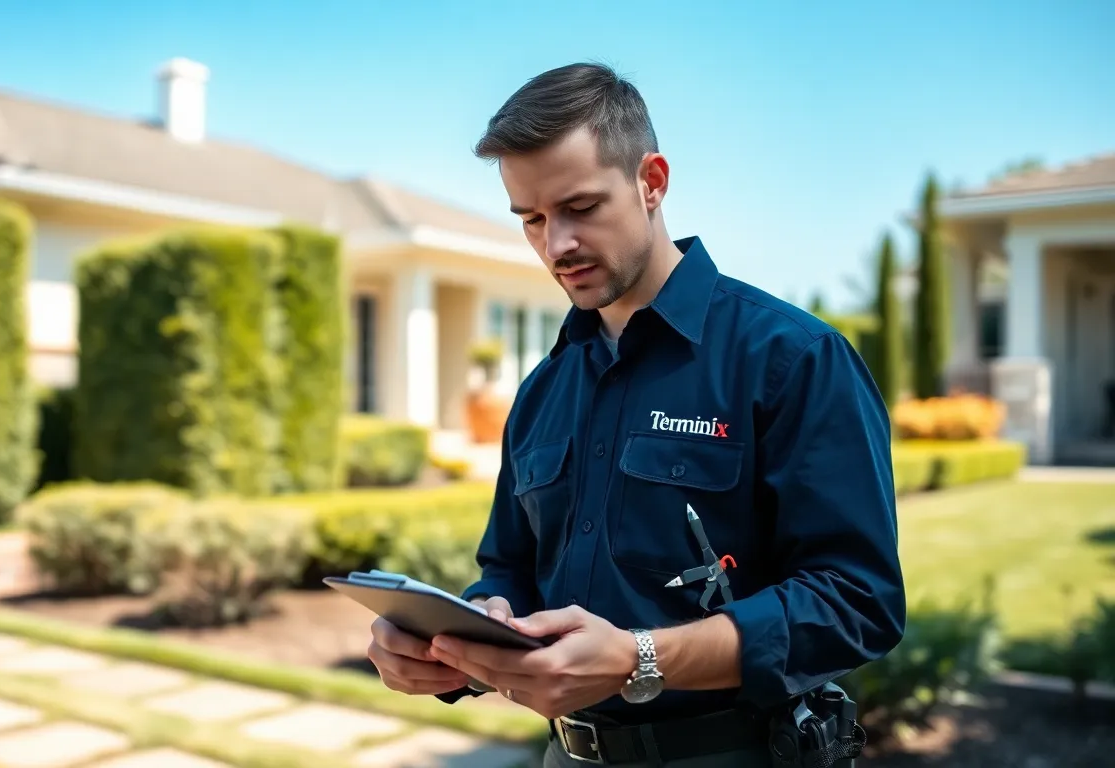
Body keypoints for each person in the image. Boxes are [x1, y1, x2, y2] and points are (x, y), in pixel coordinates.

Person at [366, 62, 906, 767]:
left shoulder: (793, 358)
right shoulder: (541, 391)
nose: (555, 245)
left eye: (580, 208)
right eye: (531, 219)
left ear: (651, 182)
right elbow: (508, 571)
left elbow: (857, 602)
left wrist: (639, 658)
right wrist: (460, 643)